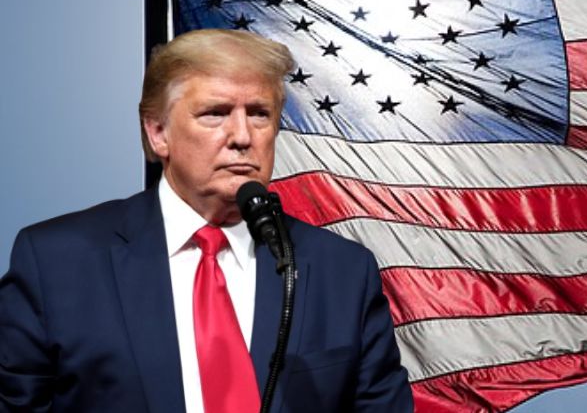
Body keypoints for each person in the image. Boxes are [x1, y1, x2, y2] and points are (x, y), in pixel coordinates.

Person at [0, 29, 414, 412]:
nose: (241, 136)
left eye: (259, 114)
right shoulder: (57, 263)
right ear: (159, 132)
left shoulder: (342, 272)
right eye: (215, 113)